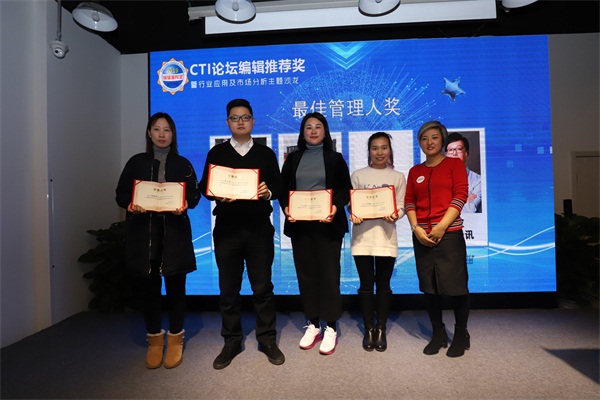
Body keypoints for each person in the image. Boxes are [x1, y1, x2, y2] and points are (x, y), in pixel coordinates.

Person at [199, 98, 285, 369]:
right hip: (227, 231)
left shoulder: (265, 153)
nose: (240, 122)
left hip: (259, 230)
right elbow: (204, 187)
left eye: (245, 117)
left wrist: (268, 192)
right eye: (235, 118)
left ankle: (267, 339)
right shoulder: (217, 153)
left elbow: (279, 187)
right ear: (228, 123)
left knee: (263, 288)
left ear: (253, 121)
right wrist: (217, 194)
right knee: (229, 289)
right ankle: (232, 341)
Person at [115, 112, 201, 369]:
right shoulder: (136, 162)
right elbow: (121, 194)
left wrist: (185, 204)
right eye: (157, 129)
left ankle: (175, 339)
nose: (162, 134)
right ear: (149, 133)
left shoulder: (183, 164)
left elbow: (194, 196)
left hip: (174, 234)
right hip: (145, 235)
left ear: (173, 134)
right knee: (149, 291)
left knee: (176, 290)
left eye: (167, 130)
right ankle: (154, 339)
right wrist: (131, 204)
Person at [279, 112, 352, 355]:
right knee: (306, 275)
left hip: (328, 225)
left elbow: (345, 189)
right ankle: (313, 324)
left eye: (318, 127)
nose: (313, 131)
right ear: (302, 132)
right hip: (301, 226)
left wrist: (334, 207)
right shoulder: (293, 158)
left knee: (329, 275)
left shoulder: (335, 158)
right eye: (308, 127)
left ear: (325, 131)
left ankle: (330, 326)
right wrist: (287, 208)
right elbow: (283, 189)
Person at [404, 120, 471, 358]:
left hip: (449, 234)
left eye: (434, 137)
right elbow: (409, 202)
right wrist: (416, 229)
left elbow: (461, 195)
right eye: (424, 138)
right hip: (422, 237)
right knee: (430, 289)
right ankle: (438, 333)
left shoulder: (454, 164)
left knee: (457, 287)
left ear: (442, 139)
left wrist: (442, 227)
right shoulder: (415, 171)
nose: (429, 142)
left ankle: (461, 334)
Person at [349, 132, 406, 352]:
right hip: (362, 237)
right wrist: (353, 213)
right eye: (374, 148)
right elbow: (352, 204)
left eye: (384, 148)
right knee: (365, 285)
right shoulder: (358, 175)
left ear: (390, 150)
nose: (379, 152)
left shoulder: (398, 177)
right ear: (369, 151)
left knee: (383, 285)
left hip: (386, 236)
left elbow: (401, 205)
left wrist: (396, 214)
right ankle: (369, 328)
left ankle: (381, 328)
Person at [445, 132, 482, 213]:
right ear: (446, 155)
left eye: (459, 149)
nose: (454, 153)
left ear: (467, 154)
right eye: (450, 150)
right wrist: (465, 200)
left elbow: (470, 210)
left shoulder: (479, 181)